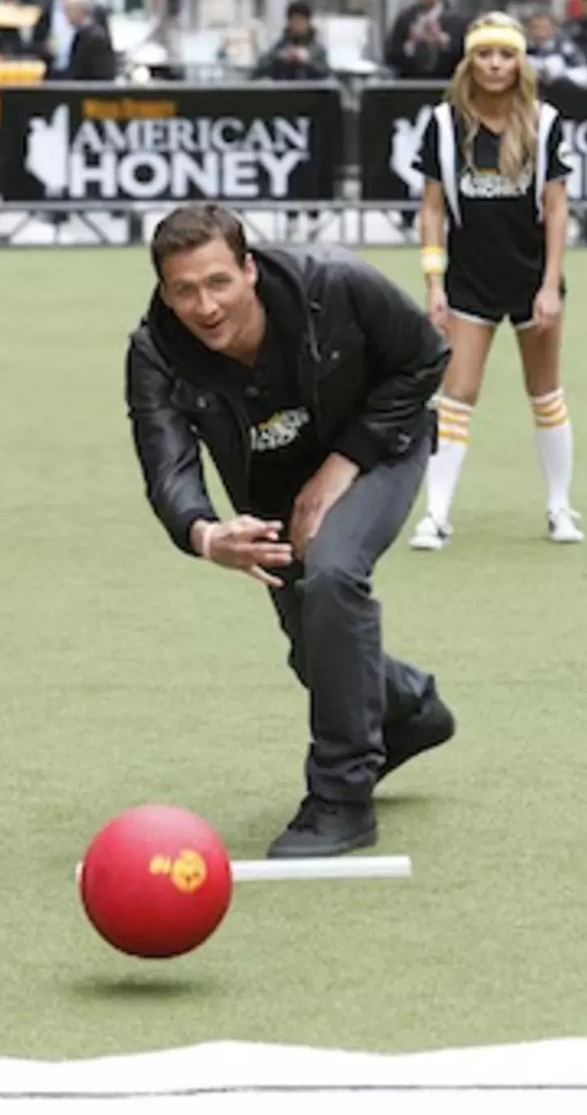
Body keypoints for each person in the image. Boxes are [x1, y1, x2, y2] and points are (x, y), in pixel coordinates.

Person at [125, 203, 455, 860]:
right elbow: (166, 466)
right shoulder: (155, 352)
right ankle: (411, 710)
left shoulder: (331, 284)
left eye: (218, 281)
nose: (205, 305)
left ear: (248, 269)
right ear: (164, 291)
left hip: (376, 447)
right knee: (316, 651)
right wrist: (206, 534)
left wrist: (343, 464)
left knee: (333, 575)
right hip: (271, 491)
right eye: (184, 290)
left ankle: (340, 799)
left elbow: (424, 358)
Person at [406, 13, 582, 551]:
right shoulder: (443, 123)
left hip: (530, 277)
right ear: (469, 61)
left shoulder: (544, 122)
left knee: (545, 394)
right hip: (468, 280)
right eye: (485, 55)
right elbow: (431, 209)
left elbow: (556, 208)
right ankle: (436, 514)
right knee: (456, 395)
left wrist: (550, 285)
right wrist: (434, 283)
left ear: (519, 62)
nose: (495, 65)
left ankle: (559, 508)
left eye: (505, 55)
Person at [385, 0, 465, 81]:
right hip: (410, 81)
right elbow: (391, 55)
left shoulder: (455, 20)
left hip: (444, 80)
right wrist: (412, 43)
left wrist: (441, 39)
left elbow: (461, 54)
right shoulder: (405, 19)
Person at [252, 0, 331, 81]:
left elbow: (325, 74)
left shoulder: (318, 50)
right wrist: (282, 58)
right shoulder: (279, 47)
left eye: (301, 21)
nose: (297, 25)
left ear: (308, 23)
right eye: (294, 20)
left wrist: (307, 62)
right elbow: (258, 71)